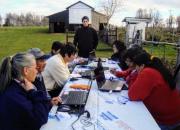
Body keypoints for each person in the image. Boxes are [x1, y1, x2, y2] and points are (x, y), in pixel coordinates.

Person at [128, 51, 180, 130]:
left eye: (136, 66)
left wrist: (134, 74)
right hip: (174, 116)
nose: (135, 69)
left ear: (142, 66)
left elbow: (132, 95)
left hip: (167, 121)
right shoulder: (157, 69)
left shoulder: (147, 73)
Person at [0, 52, 49, 130]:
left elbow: (43, 108)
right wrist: (33, 92)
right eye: (35, 68)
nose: (37, 71)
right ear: (26, 70)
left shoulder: (18, 86)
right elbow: (40, 119)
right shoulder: (14, 95)